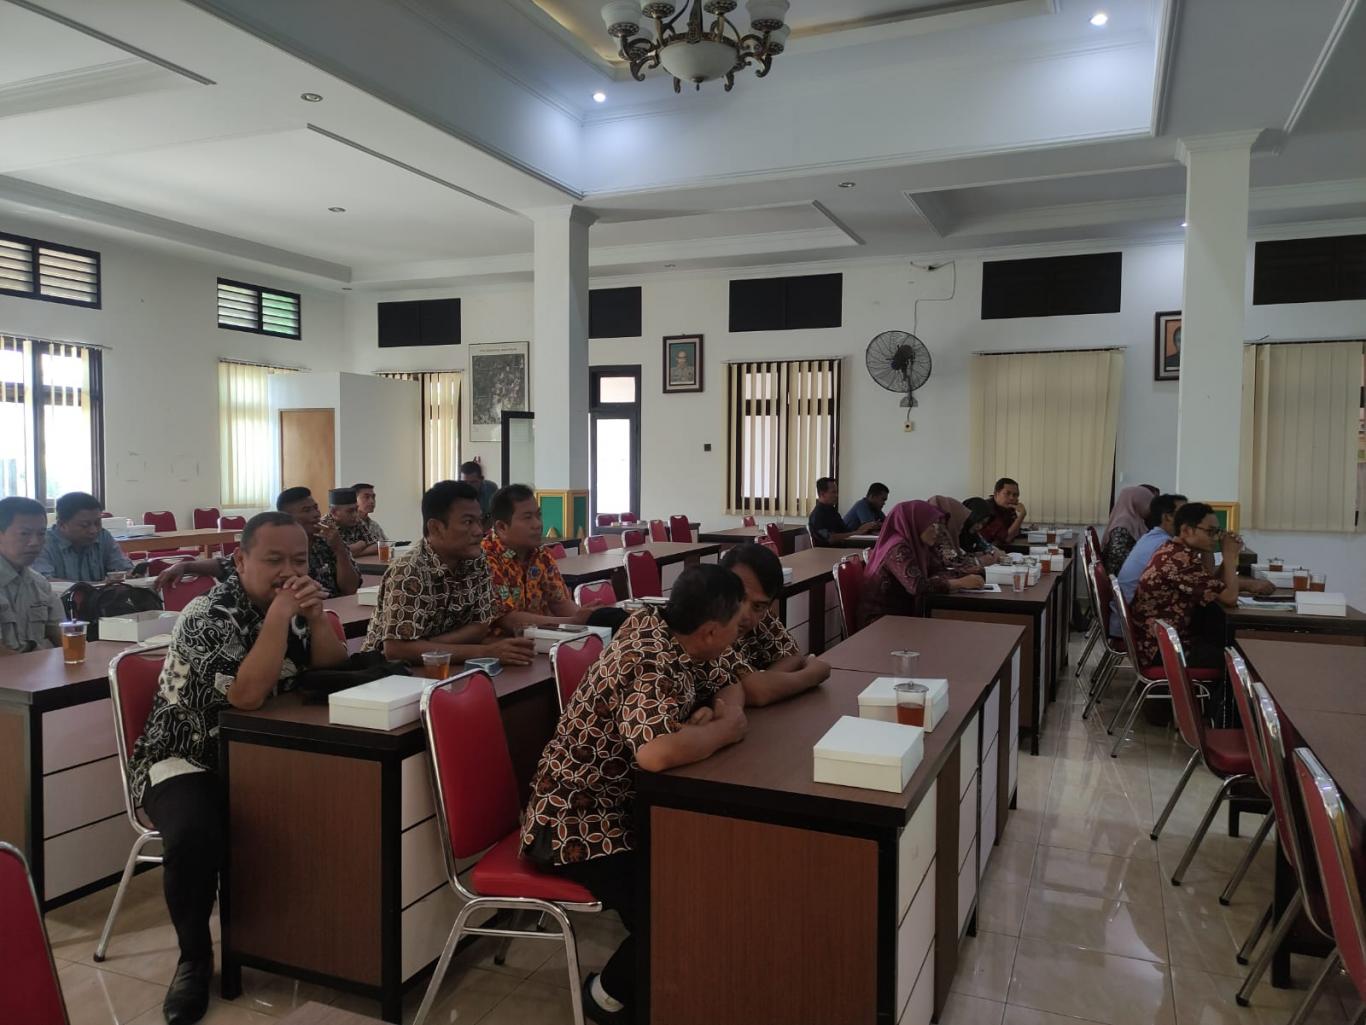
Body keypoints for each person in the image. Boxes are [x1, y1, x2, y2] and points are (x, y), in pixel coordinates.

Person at [126, 512, 348, 1024]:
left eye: (299, 561)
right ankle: (194, 958)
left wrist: (316, 619)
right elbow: (246, 696)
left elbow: (332, 669)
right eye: (274, 560)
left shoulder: (293, 608)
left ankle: (304, 940)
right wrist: (280, 616)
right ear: (241, 561)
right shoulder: (207, 613)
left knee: (340, 801)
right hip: (186, 756)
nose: (289, 571)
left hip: (264, 755)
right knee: (194, 834)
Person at [521, 565, 750, 1025]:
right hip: (574, 825)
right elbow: (655, 753)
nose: (738, 637)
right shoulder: (649, 658)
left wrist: (712, 717)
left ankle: (670, 979)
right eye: (737, 627)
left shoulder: (673, 631)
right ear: (709, 631)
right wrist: (725, 730)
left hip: (622, 810)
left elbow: (731, 684)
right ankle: (604, 997)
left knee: (702, 880)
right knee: (678, 908)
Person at [363, 480, 535, 666]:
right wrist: (485, 652)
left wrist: (427, 646)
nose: (479, 531)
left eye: (480, 521)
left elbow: (480, 626)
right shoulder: (409, 571)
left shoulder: (477, 561)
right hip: (386, 673)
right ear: (436, 528)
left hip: (447, 665)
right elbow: (397, 650)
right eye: (468, 522)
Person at [1129, 502, 1273, 669]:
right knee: (1245, 657)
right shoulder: (1180, 562)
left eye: (1217, 532)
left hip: (1161, 641)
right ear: (1186, 530)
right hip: (1164, 650)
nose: (1215, 538)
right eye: (1210, 532)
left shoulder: (1174, 550)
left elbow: (1211, 582)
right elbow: (1230, 598)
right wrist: (1229, 556)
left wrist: (1221, 555)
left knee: (1226, 640)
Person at [721, 543, 830, 705]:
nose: (745, 615)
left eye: (758, 606)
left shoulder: (759, 611)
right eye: (738, 598)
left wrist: (767, 680)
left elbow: (791, 654)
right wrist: (812, 674)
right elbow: (757, 692)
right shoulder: (706, 623)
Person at [858, 500, 985, 626]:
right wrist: (960, 583)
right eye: (932, 525)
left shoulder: (920, 545)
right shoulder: (897, 548)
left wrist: (966, 574)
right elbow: (917, 586)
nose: (937, 531)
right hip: (880, 623)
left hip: (900, 617)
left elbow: (937, 570)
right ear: (917, 523)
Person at [482, 484, 590, 630]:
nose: (538, 524)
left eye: (538, 515)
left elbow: (559, 602)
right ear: (502, 527)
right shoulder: (486, 558)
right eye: (527, 518)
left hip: (541, 637)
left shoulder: (541, 554)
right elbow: (508, 618)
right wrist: (573, 621)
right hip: (503, 642)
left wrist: (587, 618)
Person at [1111, 493, 1187, 636]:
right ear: (1168, 517)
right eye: (1185, 514)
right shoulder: (1165, 545)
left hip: (1126, 615)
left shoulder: (1153, 537)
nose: (1191, 519)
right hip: (1135, 624)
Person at [0, 496, 64, 655]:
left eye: (41, 534)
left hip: (37, 666)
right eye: (24, 534)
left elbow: (63, 636)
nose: (35, 542)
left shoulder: (40, 583)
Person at [32, 491, 135, 582]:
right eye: (85, 525)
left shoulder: (103, 536)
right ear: (62, 525)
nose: (93, 530)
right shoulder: (42, 542)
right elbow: (44, 582)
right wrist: (98, 586)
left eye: (97, 523)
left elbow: (123, 568)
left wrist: (132, 573)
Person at [276, 487, 360, 597]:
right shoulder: (279, 550)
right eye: (307, 510)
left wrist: (340, 550)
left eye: (316, 508)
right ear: (287, 518)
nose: (316, 514)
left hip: (337, 605)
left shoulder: (328, 541)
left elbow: (350, 589)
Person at [928, 495, 1002, 573]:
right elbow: (953, 563)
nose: (980, 526)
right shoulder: (941, 534)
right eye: (978, 521)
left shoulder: (965, 534)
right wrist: (981, 560)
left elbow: (992, 550)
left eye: (983, 524)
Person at [1100, 486, 1153, 577]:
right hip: (1119, 575)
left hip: (1126, 571)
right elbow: (1117, 553)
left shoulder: (1135, 520)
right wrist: (1144, 562)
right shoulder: (1124, 522)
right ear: (1138, 503)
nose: (1150, 509)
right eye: (1148, 503)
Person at [808, 477, 877, 547]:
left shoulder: (832, 510)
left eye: (836, 492)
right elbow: (830, 538)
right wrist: (857, 532)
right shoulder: (817, 515)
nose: (836, 495)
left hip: (842, 548)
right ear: (822, 494)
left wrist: (862, 529)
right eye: (833, 492)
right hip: (828, 551)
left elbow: (845, 532)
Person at [337, 483, 388, 557]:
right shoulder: (340, 523)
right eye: (366, 497)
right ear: (354, 500)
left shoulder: (373, 525)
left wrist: (357, 552)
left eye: (373, 497)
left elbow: (382, 545)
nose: (372, 501)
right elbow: (339, 552)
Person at [978, 477, 1026, 545]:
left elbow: (1015, 532)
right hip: (986, 549)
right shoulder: (987, 509)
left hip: (1000, 547)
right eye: (1007, 493)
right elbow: (1006, 538)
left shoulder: (1008, 507)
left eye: (1015, 495)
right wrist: (1022, 515)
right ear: (996, 494)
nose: (1012, 498)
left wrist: (1028, 530)